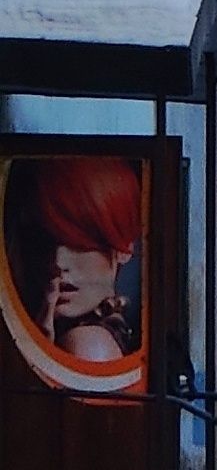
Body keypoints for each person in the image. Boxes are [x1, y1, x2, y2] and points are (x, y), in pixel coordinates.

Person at [4, 156, 142, 364]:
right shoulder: (106, 331)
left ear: (123, 247)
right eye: (43, 240)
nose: (58, 262)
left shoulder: (85, 344)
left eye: (79, 243)